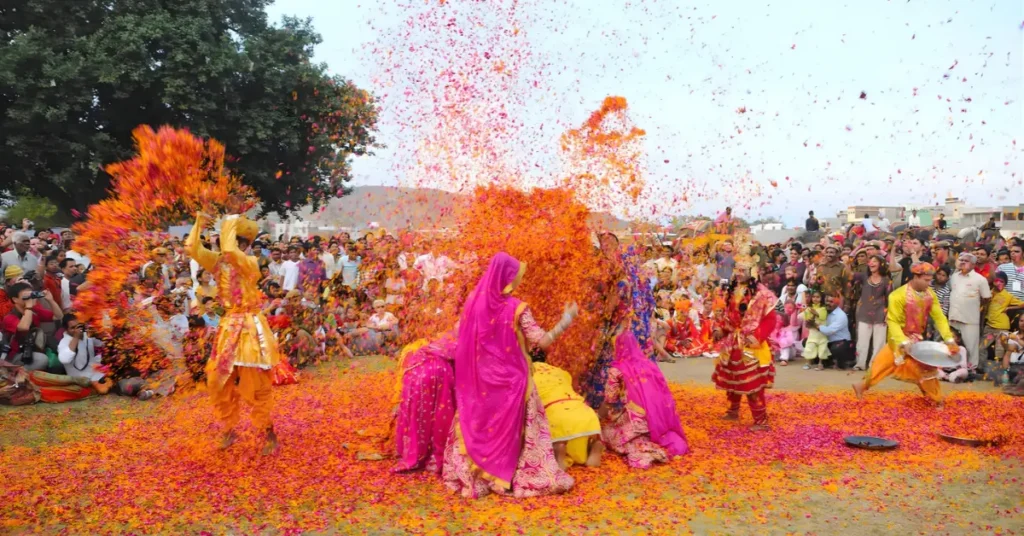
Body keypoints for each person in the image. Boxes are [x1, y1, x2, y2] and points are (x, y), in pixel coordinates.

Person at [443, 252, 576, 498]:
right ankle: (508, 476)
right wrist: (565, 322)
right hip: (513, 382)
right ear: (506, 276)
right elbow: (542, 342)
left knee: (477, 424)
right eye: (515, 276)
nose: (517, 281)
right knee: (513, 430)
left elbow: (458, 336)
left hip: (479, 380)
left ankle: (478, 477)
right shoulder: (517, 308)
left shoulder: (474, 304)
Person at [185, 212, 281, 455]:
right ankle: (228, 428)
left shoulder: (250, 262)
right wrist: (199, 222)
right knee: (218, 380)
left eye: (236, 240)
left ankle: (268, 432)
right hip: (228, 326)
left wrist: (230, 219)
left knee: (254, 383)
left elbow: (229, 251)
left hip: (249, 326)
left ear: (245, 244)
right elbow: (191, 248)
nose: (225, 244)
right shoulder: (219, 263)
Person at [853, 263, 959, 407]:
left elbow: (939, 317)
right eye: (926, 280)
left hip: (916, 339)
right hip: (898, 339)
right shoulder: (897, 296)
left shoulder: (930, 295)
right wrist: (903, 342)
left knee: (902, 366)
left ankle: (935, 399)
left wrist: (949, 338)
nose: (929, 284)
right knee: (908, 367)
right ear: (916, 277)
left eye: (930, 281)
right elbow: (892, 321)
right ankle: (936, 400)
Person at [598, 329, 689, 468]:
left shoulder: (617, 370)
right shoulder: (650, 365)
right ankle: (649, 443)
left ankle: (646, 450)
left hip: (638, 421)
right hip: (660, 419)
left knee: (607, 433)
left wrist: (599, 415)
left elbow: (610, 399)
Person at [711, 252, 777, 431]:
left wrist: (758, 336)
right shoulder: (732, 291)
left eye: (743, 270)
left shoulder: (763, 294)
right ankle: (732, 411)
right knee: (732, 378)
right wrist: (721, 329)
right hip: (733, 342)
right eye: (737, 270)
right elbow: (728, 316)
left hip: (751, 343)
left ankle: (761, 421)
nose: (739, 273)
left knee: (752, 382)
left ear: (752, 271)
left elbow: (771, 319)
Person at [392, 329, 457, 474]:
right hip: (437, 371)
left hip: (414, 372)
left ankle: (416, 453)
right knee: (439, 413)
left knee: (419, 415)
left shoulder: (415, 349)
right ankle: (433, 454)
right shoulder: (460, 339)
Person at [532, 352, 603, 470]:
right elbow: (574, 389)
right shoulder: (561, 372)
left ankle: (559, 449)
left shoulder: (527, 376)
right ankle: (594, 444)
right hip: (585, 413)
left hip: (557, 413)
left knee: (544, 429)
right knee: (582, 433)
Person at [1, 282, 63, 371]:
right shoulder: (9, 318)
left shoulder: (34, 311)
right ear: (15, 299)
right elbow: (24, 327)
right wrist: (29, 306)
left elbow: (58, 316)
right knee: (42, 359)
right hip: (13, 356)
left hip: (31, 350)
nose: (31, 298)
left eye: (31, 294)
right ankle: (17, 373)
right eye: (26, 296)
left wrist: (50, 300)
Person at [947, 252, 991, 371]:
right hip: (954, 316)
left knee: (971, 347)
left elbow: (986, 298)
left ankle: (971, 370)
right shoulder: (954, 276)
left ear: (973, 264)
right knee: (953, 345)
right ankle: (952, 367)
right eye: (961, 260)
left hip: (970, 318)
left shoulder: (980, 279)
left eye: (966, 261)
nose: (962, 262)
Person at [983, 272, 1023, 380]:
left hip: (1002, 328)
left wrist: (1009, 308)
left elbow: (1022, 304)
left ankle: (999, 374)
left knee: (999, 352)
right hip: (989, 327)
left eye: (1002, 282)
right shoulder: (989, 292)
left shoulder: (1007, 296)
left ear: (1005, 284)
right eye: (997, 281)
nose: (999, 283)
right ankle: (983, 372)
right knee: (981, 348)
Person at [853, 255, 890, 371]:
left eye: (875, 261)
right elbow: (849, 274)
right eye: (870, 261)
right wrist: (850, 258)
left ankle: (875, 365)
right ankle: (860, 364)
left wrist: (888, 314)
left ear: (881, 264)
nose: (871, 263)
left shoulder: (886, 280)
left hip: (880, 313)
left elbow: (889, 298)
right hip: (864, 312)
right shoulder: (864, 277)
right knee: (862, 341)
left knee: (879, 342)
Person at [56, 315, 106, 384]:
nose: (77, 330)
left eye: (78, 326)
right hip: (80, 380)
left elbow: (101, 343)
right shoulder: (64, 342)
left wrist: (99, 332)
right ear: (66, 329)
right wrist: (76, 337)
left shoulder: (87, 335)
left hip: (96, 374)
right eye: (73, 328)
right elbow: (65, 359)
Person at [818, 294, 853, 370]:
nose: (828, 303)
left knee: (836, 348)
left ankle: (842, 363)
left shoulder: (841, 315)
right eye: (827, 301)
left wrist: (817, 326)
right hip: (827, 341)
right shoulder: (823, 311)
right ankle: (829, 362)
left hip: (841, 341)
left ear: (837, 304)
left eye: (831, 302)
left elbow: (829, 331)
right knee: (808, 341)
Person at [801, 291, 830, 370]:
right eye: (814, 297)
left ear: (821, 299)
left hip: (821, 333)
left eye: (818, 297)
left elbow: (823, 317)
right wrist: (809, 317)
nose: (815, 299)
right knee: (809, 347)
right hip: (813, 332)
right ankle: (808, 363)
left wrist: (816, 313)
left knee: (822, 348)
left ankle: (820, 364)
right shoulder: (809, 308)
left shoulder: (823, 308)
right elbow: (806, 318)